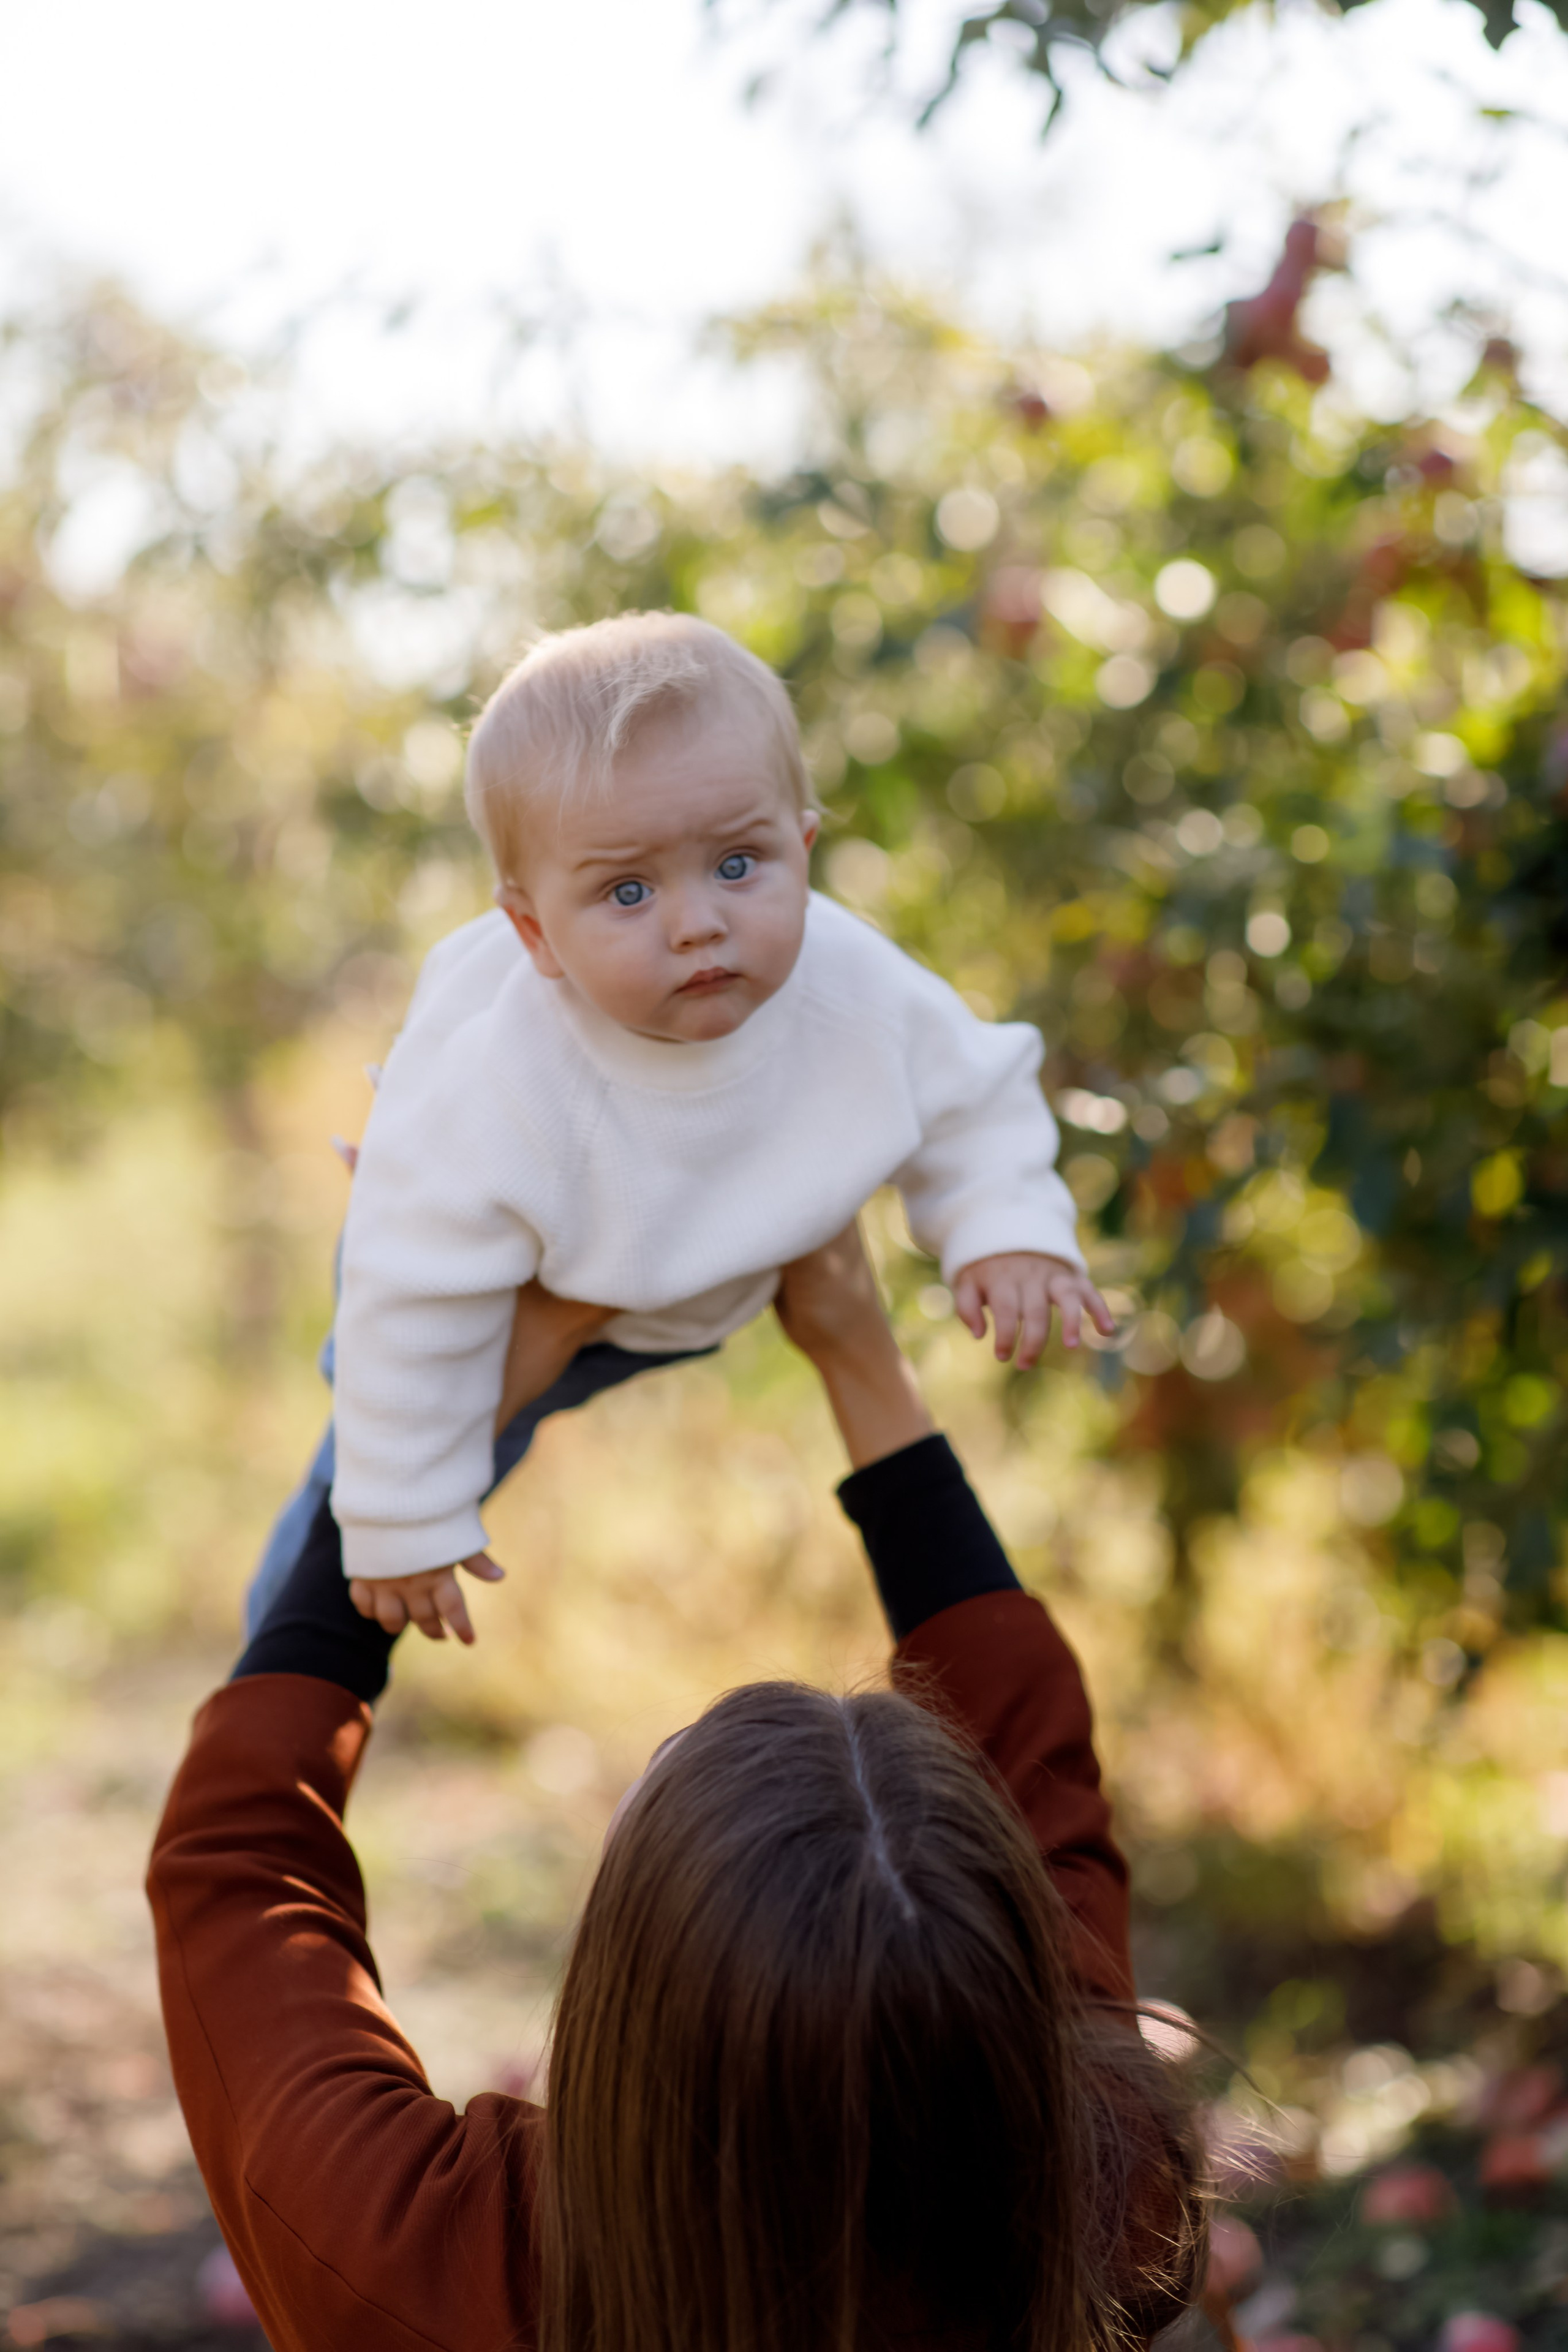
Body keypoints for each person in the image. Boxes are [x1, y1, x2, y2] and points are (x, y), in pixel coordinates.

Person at [149, 1226, 1203, 2352]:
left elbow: (240, 1862)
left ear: (639, 1980)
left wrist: (429, 1443)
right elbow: (1042, 1778)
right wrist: (857, 1353)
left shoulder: (432, 2266)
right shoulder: (1091, 2206)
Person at [265, 609, 1113, 1645]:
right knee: (377, 1478)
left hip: (692, 1270)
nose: (697, 920)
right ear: (533, 931)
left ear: (803, 848)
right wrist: (402, 1515)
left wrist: (1010, 1232)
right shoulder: (499, 1081)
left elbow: (974, 1092)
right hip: (495, 1270)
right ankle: (286, 1646)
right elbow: (409, 1299)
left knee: (407, 1464)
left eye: (739, 863)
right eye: (628, 890)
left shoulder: (853, 983)